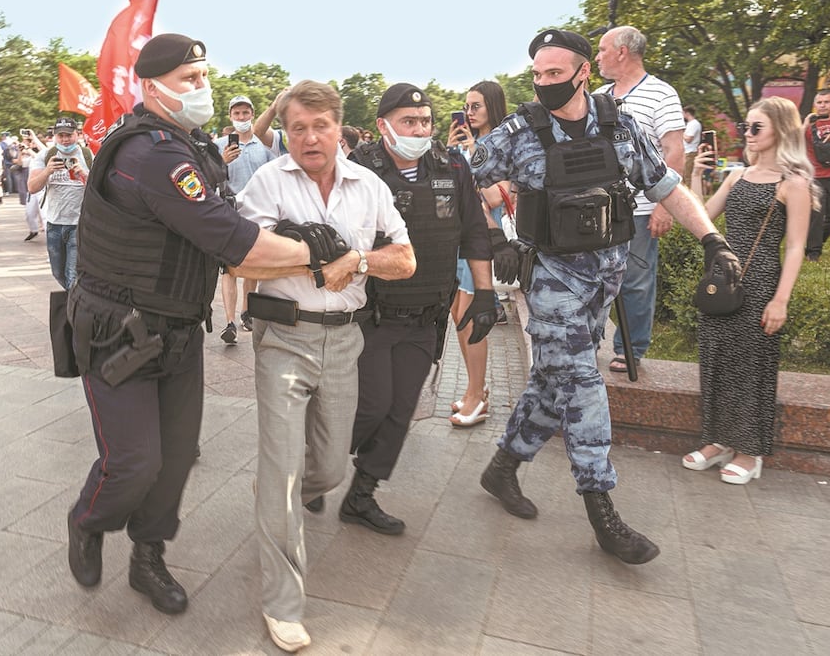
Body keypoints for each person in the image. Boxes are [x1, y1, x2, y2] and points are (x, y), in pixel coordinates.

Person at [64, 36, 346, 620]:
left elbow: (225, 216)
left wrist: (286, 239)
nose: (202, 87)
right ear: (151, 88)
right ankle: (89, 520)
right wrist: (313, 254)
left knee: (173, 461)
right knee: (134, 461)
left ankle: (147, 556)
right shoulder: (152, 156)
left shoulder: (188, 145)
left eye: (202, 76)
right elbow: (231, 240)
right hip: (118, 331)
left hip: (176, 330)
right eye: (188, 79)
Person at [468, 29, 742, 564]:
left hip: (604, 282)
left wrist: (714, 241)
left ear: (583, 73)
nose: (544, 82)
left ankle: (502, 468)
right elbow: (463, 180)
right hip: (552, 281)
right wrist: (495, 238)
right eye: (537, 74)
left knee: (552, 383)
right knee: (583, 383)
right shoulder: (518, 132)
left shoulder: (620, 126)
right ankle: (602, 510)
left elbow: (666, 186)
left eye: (554, 73)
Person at [232, 80, 414, 651]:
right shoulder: (268, 181)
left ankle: (275, 495)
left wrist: (357, 260)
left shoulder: (369, 186)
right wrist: (313, 257)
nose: (310, 138)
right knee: (285, 471)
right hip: (283, 338)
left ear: (340, 128)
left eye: (320, 126)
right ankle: (283, 604)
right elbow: (239, 260)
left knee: (330, 469)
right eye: (298, 128)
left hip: (345, 340)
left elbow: (405, 259)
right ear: (286, 132)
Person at [337, 83, 506, 534]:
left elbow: (473, 232)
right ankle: (317, 467)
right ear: (383, 126)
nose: (420, 129)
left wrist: (484, 294)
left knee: (399, 411)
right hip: (371, 315)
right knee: (371, 407)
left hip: (426, 316)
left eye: (426, 121)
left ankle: (361, 495)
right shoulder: (358, 169)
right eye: (408, 121)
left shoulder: (452, 166)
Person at [683, 96, 813, 484]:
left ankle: (750, 451)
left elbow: (795, 247)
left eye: (757, 127)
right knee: (715, 359)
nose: (748, 134)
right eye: (746, 126)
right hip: (722, 279)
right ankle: (717, 441)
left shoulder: (793, 183)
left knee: (751, 366)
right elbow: (704, 218)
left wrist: (781, 300)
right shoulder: (737, 175)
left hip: (760, 283)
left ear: (782, 131)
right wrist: (696, 176)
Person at [594, 26, 685, 375]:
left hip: (641, 208)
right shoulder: (598, 96)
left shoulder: (661, 94)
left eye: (602, 50)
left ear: (622, 52)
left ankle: (630, 349)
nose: (597, 58)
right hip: (597, 209)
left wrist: (664, 204)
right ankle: (588, 342)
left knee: (635, 281)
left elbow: (674, 152)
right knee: (592, 279)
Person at [447, 80, 516, 425]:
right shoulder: (466, 144)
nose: (469, 113)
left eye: (476, 106)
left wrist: (473, 154)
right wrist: (451, 152)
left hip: (485, 235)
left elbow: (493, 197)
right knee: (457, 312)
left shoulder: (503, 143)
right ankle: (476, 387)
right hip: (459, 234)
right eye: (466, 107)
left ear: (492, 105)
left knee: (472, 314)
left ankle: (477, 396)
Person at [213, 95, 274, 343]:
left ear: (252, 114)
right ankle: (229, 322)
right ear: (230, 116)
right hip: (230, 210)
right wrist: (222, 161)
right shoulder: (218, 145)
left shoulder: (264, 146)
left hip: (257, 212)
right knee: (229, 268)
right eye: (236, 113)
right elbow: (208, 175)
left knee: (252, 266)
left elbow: (275, 176)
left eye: (245, 113)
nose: (241, 117)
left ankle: (246, 312)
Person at [28, 117, 90, 289]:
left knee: (72, 275)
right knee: (58, 273)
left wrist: (84, 174)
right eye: (60, 135)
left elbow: (100, 187)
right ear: (55, 136)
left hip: (79, 224)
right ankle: (75, 299)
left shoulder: (88, 155)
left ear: (77, 134)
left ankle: (74, 303)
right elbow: (32, 187)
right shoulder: (45, 155)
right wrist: (47, 171)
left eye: (69, 135)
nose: (65, 139)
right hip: (54, 224)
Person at [801, 89, 830, 261]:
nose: (822, 105)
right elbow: (793, 141)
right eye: (819, 102)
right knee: (817, 215)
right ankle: (813, 252)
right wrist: (805, 123)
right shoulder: (810, 126)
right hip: (816, 175)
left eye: (826, 102)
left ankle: (816, 242)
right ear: (815, 105)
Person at [682, 105, 702, 185]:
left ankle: (689, 191)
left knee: (687, 176)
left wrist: (681, 132)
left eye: (683, 113)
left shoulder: (694, 124)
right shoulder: (690, 124)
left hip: (690, 152)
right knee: (684, 175)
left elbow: (688, 139)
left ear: (687, 113)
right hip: (687, 152)